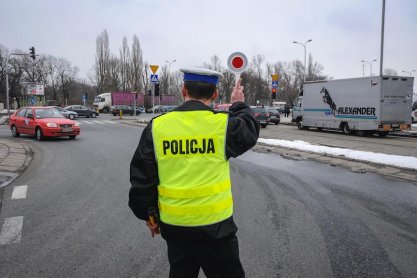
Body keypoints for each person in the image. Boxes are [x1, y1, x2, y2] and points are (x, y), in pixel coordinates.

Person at [129, 68, 260, 278]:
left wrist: (150, 216)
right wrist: (238, 103)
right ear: (215, 94)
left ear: (183, 90)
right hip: (217, 229)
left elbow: (142, 179)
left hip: (175, 228)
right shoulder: (223, 126)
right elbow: (250, 128)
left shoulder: (157, 127)